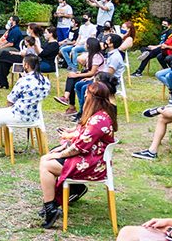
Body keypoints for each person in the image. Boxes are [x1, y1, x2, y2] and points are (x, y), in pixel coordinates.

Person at [37, 81, 117, 229]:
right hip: (92, 157)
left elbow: (79, 146)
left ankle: (51, 208)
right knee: (47, 157)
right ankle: (54, 202)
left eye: (87, 94)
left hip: (94, 164)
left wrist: (60, 153)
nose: (84, 96)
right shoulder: (98, 115)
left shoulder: (100, 119)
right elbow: (82, 137)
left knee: (47, 165)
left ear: (93, 98)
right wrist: (64, 144)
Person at [0, 55, 51, 159]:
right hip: (35, 116)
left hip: (19, 115)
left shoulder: (23, 81)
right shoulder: (45, 81)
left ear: (26, 65)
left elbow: (10, 100)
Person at [71, 34, 126, 120]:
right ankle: (82, 111)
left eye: (107, 40)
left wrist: (93, 79)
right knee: (79, 85)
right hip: (102, 79)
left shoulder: (115, 57)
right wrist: (91, 78)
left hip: (110, 83)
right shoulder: (110, 54)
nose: (105, 41)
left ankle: (86, 113)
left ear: (111, 44)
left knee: (85, 87)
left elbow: (107, 76)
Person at [54, 39, 104, 115]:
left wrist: (77, 75)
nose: (84, 46)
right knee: (71, 76)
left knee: (75, 80)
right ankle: (66, 99)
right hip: (90, 75)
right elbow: (86, 67)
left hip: (96, 78)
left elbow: (92, 72)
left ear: (88, 46)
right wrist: (78, 73)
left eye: (85, 44)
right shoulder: (90, 55)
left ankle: (71, 104)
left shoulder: (96, 56)